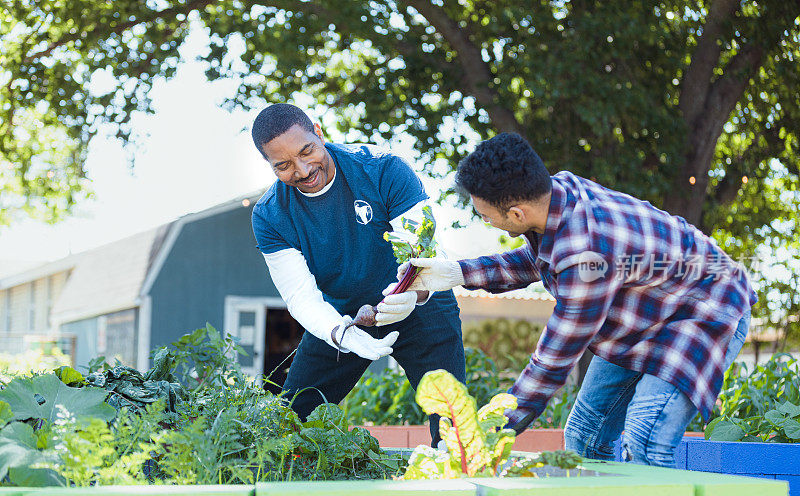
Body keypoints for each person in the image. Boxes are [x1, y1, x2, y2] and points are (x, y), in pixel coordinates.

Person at [397, 132, 755, 467]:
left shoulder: (586, 252)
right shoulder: (559, 197)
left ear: (517, 213)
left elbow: (553, 362)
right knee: (584, 436)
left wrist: (487, 431)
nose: (485, 222)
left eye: (486, 216)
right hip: (647, 312)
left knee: (645, 438)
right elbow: (537, 262)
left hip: (705, 306)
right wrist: (454, 273)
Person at [249, 103, 465, 441]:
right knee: (288, 423)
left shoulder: (383, 170)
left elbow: (420, 252)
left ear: (318, 132)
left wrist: (408, 296)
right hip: (342, 315)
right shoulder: (270, 215)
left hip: (422, 307)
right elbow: (300, 297)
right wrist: (340, 333)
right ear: (270, 165)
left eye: (307, 151)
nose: (303, 170)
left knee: (452, 423)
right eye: (284, 165)